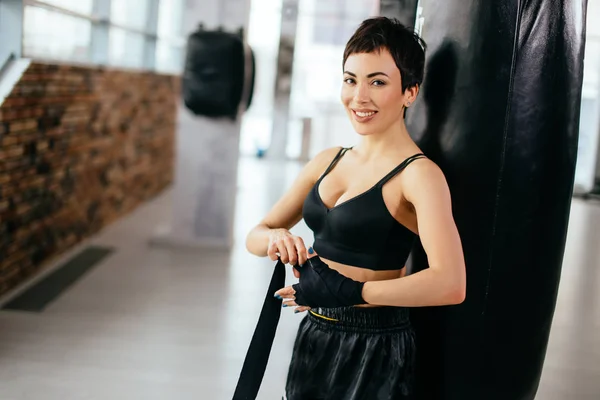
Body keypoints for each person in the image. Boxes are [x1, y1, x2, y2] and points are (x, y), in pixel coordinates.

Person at [245, 16, 466, 400]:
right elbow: (256, 234)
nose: (359, 97)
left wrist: (352, 291)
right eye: (351, 80)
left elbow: (451, 284)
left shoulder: (419, 175)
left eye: (377, 82)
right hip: (315, 331)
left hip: (375, 343)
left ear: (410, 92)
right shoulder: (328, 160)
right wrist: (276, 237)